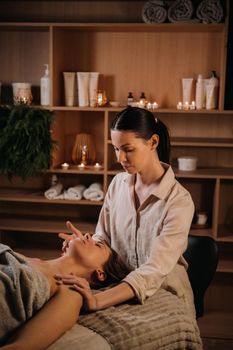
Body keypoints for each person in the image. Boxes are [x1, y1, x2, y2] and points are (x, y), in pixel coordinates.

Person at [57, 106, 197, 319]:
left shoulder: (179, 201)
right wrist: (83, 248)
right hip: (117, 287)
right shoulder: (117, 185)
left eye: (128, 149)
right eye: (115, 148)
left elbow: (154, 269)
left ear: (153, 142)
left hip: (163, 293)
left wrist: (97, 301)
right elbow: (103, 238)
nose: (120, 157)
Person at [0, 234, 129, 350]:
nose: (88, 236)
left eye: (97, 245)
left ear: (100, 273)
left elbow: (21, 346)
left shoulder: (71, 292)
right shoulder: (29, 259)